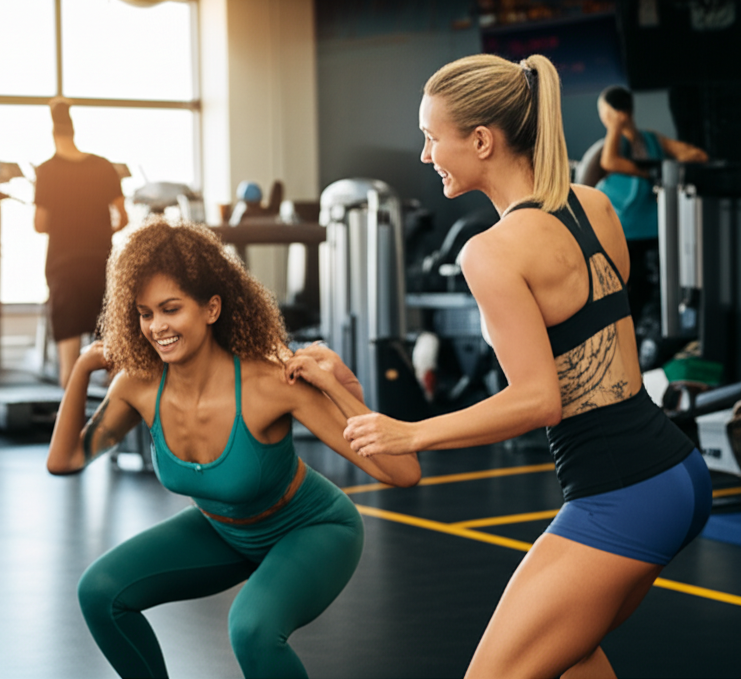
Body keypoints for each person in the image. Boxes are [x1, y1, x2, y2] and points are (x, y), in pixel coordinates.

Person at [293, 54, 712, 679]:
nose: (424, 154)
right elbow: (598, 338)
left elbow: (538, 400)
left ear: (482, 141)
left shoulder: (488, 253)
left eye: (432, 137)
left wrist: (412, 433)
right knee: (569, 657)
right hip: (678, 473)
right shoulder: (594, 206)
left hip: (620, 492)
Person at [46, 218, 420, 679]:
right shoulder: (138, 387)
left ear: (212, 308)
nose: (156, 327)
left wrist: (334, 385)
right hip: (225, 530)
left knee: (252, 629)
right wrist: (83, 367)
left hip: (313, 530)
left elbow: (403, 472)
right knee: (100, 591)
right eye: (145, 313)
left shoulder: (268, 384)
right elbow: (65, 461)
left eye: (170, 309)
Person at [594, 85, 708, 337]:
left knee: (649, 291)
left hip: (646, 231)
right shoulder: (621, 144)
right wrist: (645, 171)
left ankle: (651, 341)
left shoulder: (648, 140)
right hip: (632, 232)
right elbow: (608, 162)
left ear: (607, 114)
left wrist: (662, 166)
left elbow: (696, 155)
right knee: (630, 291)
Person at [33, 98, 129, 388]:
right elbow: (123, 218)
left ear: (53, 134)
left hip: (64, 269)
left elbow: (39, 225)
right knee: (114, 358)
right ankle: (116, 423)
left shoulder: (47, 170)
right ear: (74, 132)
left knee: (70, 369)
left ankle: (72, 426)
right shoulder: (103, 166)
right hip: (100, 264)